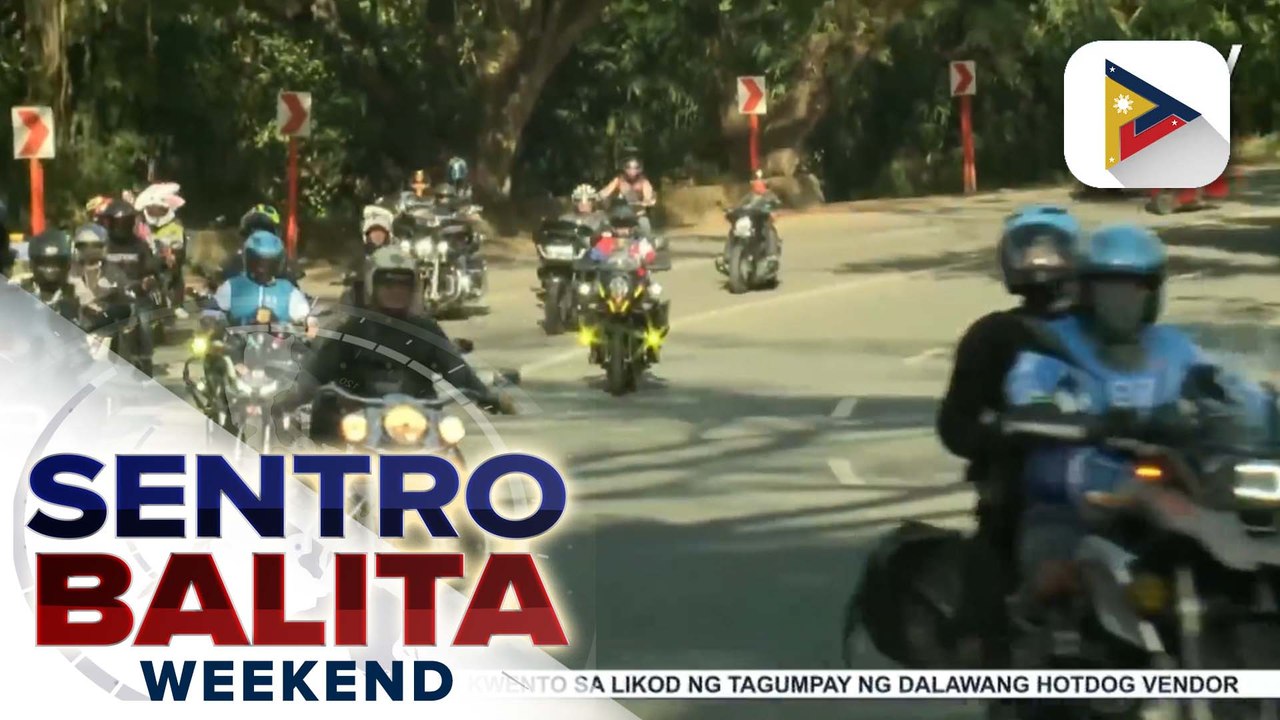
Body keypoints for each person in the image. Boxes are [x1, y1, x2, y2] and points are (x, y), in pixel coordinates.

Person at [1005, 224, 1271, 615]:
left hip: (1172, 476)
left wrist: (1262, 406)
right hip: (1077, 483)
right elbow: (1028, 388)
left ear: (1153, 293)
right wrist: (1051, 409)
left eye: (1136, 288)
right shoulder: (1054, 342)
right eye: (1109, 288)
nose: (1122, 301)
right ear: (1085, 291)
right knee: (1054, 579)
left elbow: (1230, 384)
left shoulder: (1172, 345)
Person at [937, 204, 1082, 667]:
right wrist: (1000, 434)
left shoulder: (1105, 326)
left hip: (1108, 472)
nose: (1041, 260)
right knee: (996, 536)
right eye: (1030, 247)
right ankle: (989, 656)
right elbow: (955, 423)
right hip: (1023, 481)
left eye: (1052, 247)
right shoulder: (993, 336)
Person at [293, 246, 507, 443]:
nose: (395, 290)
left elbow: (457, 370)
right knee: (326, 440)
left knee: (451, 453)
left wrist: (488, 397)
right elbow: (316, 370)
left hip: (420, 423)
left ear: (413, 288)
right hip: (359, 423)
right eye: (387, 283)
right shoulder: (351, 329)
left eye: (403, 284)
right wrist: (290, 397)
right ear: (372, 285)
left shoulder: (427, 331)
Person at [92, 197, 160, 375]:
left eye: (124, 223)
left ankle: (145, 361)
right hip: (108, 297)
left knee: (145, 323)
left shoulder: (140, 245)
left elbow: (151, 268)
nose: (120, 227)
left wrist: (148, 280)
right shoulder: (102, 246)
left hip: (136, 296)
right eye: (117, 222)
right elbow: (90, 267)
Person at [588, 203, 669, 340]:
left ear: (632, 227)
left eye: (625, 226)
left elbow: (651, 255)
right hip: (612, 282)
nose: (622, 230)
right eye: (619, 227)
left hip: (637, 281)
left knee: (654, 296)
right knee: (589, 298)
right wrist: (587, 261)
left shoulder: (640, 243)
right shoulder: (606, 242)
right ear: (612, 227)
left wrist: (652, 260)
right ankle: (593, 334)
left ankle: (655, 331)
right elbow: (593, 256)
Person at [211, 230, 311, 327]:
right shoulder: (232, 286)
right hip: (238, 342)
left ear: (278, 264)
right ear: (248, 260)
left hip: (278, 342)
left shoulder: (288, 291)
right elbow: (213, 312)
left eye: (268, 264)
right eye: (257, 262)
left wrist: (309, 323)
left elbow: (305, 318)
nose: (262, 269)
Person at [16, 230, 98, 325]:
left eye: (57, 263)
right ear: (31, 265)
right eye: (43, 263)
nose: (50, 269)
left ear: (68, 265)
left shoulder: (79, 294)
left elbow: (94, 327)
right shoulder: (18, 292)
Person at [134, 182, 189, 318]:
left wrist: (172, 254)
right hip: (146, 261)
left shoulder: (175, 225)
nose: (156, 213)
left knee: (177, 275)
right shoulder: (140, 222)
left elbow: (179, 247)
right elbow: (135, 241)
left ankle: (177, 305)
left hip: (167, 261)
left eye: (160, 209)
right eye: (153, 209)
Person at [720, 169, 783, 266]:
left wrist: (773, 211)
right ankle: (727, 256)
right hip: (749, 222)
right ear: (752, 183)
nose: (759, 182)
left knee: (770, 230)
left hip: (761, 222)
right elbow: (738, 206)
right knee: (733, 230)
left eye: (761, 180)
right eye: (756, 180)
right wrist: (731, 211)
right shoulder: (748, 196)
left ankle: (772, 256)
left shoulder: (769, 195)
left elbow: (777, 204)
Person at [598, 154, 657, 236]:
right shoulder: (619, 180)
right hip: (617, 212)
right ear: (624, 169)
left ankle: (646, 243)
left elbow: (648, 196)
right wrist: (599, 196)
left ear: (639, 169)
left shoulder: (644, 182)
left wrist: (647, 202)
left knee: (644, 223)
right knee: (602, 220)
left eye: (635, 168)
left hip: (637, 213)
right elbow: (607, 191)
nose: (632, 171)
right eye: (629, 168)